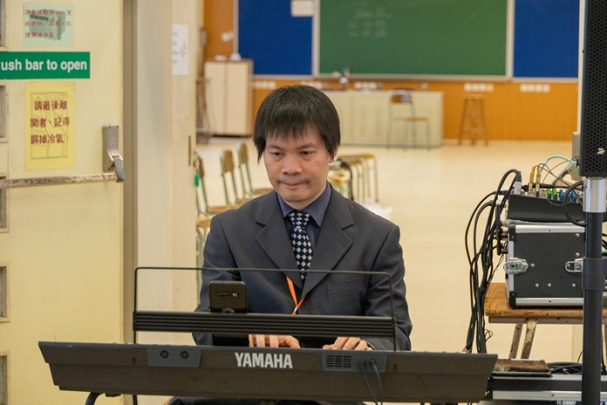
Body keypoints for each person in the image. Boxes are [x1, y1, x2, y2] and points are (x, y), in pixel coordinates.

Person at [193, 84, 412, 352]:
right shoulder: (229, 231)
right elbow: (207, 325)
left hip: (339, 375)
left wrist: (367, 346)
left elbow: (396, 332)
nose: (290, 168)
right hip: (258, 374)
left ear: (332, 151)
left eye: (305, 153)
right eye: (277, 154)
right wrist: (248, 336)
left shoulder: (377, 236)